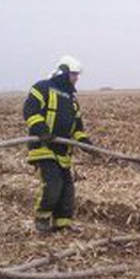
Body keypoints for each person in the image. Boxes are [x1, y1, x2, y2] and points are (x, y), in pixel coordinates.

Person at [23, 55, 92, 233]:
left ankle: (62, 224)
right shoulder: (43, 88)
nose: (76, 78)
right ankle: (42, 219)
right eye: (74, 74)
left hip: (63, 152)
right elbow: (30, 110)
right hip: (44, 148)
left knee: (67, 189)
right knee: (53, 185)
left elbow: (77, 125)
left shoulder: (71, 99)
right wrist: (42, 130)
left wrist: (84, 141)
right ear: (63, 72)